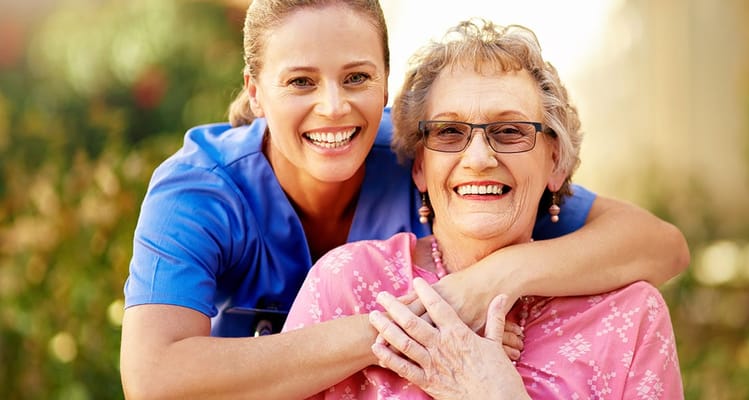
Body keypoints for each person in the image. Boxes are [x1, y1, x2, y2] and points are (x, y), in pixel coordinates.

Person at [120, 1, 688, 399]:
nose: (335, 107)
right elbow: (155, 379)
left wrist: (484, 284)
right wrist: (423, 325)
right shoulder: (202, 192)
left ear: (385, 83)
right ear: (255, 90)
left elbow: (659, 247)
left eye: (357, 78)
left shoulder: (438, 149)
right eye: (300, 82)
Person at [283, 18, 684, 399]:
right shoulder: (347, 285)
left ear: (556, 163)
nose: (478, 158)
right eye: (449, 131)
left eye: (510, 131)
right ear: (421, 167)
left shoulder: (630, 317)